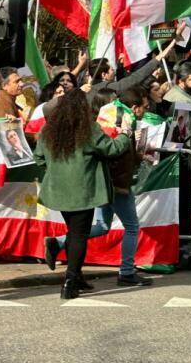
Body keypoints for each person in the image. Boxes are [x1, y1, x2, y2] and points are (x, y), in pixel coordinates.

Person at [34, 89, 132, 299]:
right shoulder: (88, 128)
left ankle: (76, 276)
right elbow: (112, 149)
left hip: (58, 189)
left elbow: (39, 157)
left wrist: (53, 173)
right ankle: (70, 281)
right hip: (83, 189)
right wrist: (125, 134)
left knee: (73, 232)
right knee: (79, 235)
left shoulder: (48, 129)